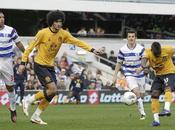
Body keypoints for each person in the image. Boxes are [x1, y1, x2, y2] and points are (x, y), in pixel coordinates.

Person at [18, 10, 101, 125]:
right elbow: (29, 48)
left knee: (53, 92)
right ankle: (28, 100)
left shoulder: (63, 34)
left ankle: (36, 116)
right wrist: (23, 63)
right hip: (40, 64)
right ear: (52, 22)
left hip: (50, 66)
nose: (59, 24)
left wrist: (92, 50)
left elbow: (77, 42)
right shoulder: (42, 33)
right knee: (52, 90)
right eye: (57, 21)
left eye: (61, 22)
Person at [113, 30, 146, 120]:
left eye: (133, 36)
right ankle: (143, 114)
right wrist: (115, 75)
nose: (131, 38)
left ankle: (133, 100)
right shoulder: (122, 50)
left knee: (142, 95)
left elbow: (145, 61)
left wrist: (141, 68)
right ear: (127, 38)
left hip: (140, 74)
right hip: (129, 73)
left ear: (135, 38)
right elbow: (119, 63)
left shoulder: (141, 49)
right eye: (129, 36)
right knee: (136, 91)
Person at [141, 42, 175, 126]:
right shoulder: (148, 52)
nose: (158, 56)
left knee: (168, 89)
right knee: (154, 94)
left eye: (159, 54)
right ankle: (156, 121)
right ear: (152, 51)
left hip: (169, 72)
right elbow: (143, 61)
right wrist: (145, 68)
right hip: (158, 75)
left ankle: (166, 109)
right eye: (156, 55)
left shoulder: (167, 49)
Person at [0, 11, 25, 123]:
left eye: (3, 17)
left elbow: (18, 43)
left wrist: (26, 53)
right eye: (0, 17)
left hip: (7, 62)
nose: (2, 19)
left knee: (10, 87)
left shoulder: (11, 30)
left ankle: (13, 110)